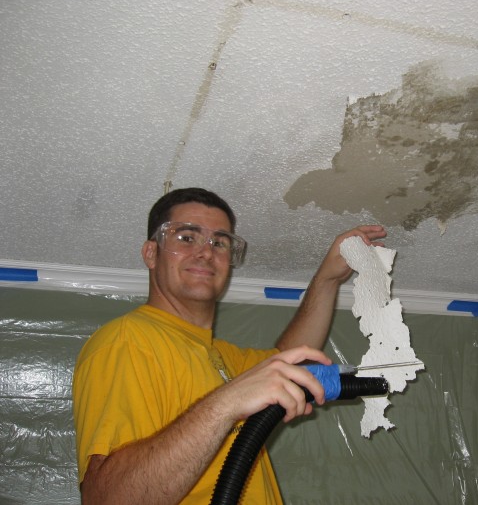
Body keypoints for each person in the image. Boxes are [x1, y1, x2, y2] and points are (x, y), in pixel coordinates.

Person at [72, 187, 386, 504]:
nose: (206, 252)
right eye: (187, 237)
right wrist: (227, 402)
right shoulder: (129, 340)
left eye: (219, 243)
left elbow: (290, 361)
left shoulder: (220, 356)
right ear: (151, 253)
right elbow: (107, 499)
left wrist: (328, 279)